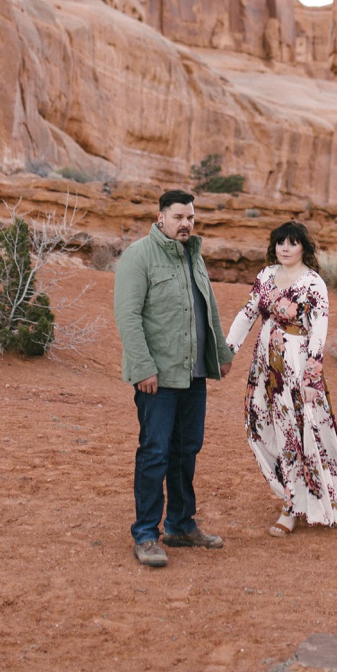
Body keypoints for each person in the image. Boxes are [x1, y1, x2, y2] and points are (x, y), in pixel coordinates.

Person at [114, 189, 233, 567]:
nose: (186, 224)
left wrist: (221, 355)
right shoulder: (139, 256)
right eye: (179, 217)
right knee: (155, 453)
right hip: (158, 378)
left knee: (187, 451)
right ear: (161, 217)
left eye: (191, 218)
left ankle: (181, 525)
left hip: (193, 375)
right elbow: (128, 316)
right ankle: (147, 534)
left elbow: (208, 306)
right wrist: (143, 366)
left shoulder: (193, 255)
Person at [226, 220, 337, 535]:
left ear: (304, 247)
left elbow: (319, 330)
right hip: (263, 365)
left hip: (295, 364)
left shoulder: (313, 283)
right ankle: (294, 490)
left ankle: (292, 505)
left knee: (294, 433)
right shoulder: (264, 275)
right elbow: (248, 314)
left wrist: (312, 378)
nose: (285, 248)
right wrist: (226, 353)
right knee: (258, 424)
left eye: (292, 243)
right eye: (280, 243)